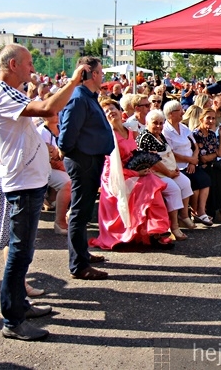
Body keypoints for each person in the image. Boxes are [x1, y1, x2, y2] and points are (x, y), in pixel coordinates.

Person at [0, 44, 88, 341]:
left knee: (24, 250)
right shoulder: (2, 93)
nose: (33, 68)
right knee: (19, 253)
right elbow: (47, 110)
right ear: (14, 64)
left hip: (30, 180)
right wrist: (72, 82)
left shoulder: (12, 91)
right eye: (29, 63)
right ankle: (12, 319)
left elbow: (40, 111)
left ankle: (21, 305)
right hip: (21, 182)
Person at [58, 56, 115, 282]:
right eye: (100, 72)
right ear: (92, 74)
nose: (102, 76)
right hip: (83, 160)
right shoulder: (79, 98)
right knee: (80, 213)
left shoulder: (88, 97)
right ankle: (79, 265)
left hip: (91, 158)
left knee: (83, 212)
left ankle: (82, 253)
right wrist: (77, 154)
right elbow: (66, 137)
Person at [90, 99, 173, 249]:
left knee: (152, 181)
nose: (110, 112)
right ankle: (152, 231)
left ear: (119, 111)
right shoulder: (107, 135)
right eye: (106, 111)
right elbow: (110, 168)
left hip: (134, 173)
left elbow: (136, 154)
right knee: (150, 184)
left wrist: (144, 166)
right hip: (115, 176)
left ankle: (157, 229)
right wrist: (134, 172)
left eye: (112, 108)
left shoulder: (131, 131)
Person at [138, 109, 196, 237]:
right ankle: (173, 227)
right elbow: (154, 162)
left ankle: (184, 216)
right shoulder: (146, 137)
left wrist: (174, 168)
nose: (159, 126)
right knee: (174, 189)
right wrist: (169, 173)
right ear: (147, 123)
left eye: (161, 123)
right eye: (155, 123)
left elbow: (168, 154)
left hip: (168, 170)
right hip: (153, 174)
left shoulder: (160, 135)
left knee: (186, 182)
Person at [162, 100, 213, 226]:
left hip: (190, 163)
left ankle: (201, 212)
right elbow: (171, 153)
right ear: (170, 114)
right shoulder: (165, 131)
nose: (182, 112)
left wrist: (193, 160)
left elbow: (195, 146)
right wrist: (188, 160)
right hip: (178, 166)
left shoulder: (184, 128)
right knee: (193, 183)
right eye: (179, 110)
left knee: (205, 179)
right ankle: (192, 213)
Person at [37, 107, 72, 235]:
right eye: (53, 113)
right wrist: (65, 167)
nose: (57, 115)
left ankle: (71, 214)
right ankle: (59, 221)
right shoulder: (41, 132)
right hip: (44, 168)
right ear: (45, 116)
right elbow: (48, 157)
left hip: (61, 165)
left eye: (58, 112)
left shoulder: (60, 127)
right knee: (68, 182)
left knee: (82, 179)